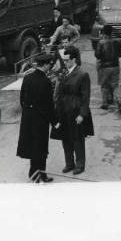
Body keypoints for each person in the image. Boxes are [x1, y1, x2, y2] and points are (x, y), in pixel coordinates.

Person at [16, 53, 59, 183]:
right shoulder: (45, 81)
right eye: (49, 65)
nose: (50, 67)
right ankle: (40, 174)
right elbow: (48, 105)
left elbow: (22, 98)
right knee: (41, 147)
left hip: (28, 117)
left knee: (32, 146)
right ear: (45, 65)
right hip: (40, 119)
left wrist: (28, 111)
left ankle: (34, 173)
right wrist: (55, 121)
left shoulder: (28, 78)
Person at [51, 46, 94, 175]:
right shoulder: (63, 73)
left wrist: (82, 114)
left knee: (77, 139)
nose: (65, 62)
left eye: (67, 60)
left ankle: (80, 164)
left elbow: (86, 97)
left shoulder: (82, 74)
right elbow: (57, 91)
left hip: (75, 110)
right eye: (64, 60)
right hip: (63, 110)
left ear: (74, 59)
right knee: (65, 138)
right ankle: (69, 163)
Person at [95, 24, 121, 112]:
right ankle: (118, 100)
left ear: (104, 32)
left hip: (105, 67)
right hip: (115, 66)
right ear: (111, 32)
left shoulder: (101, 42)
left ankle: (105, 103)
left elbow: (97, 55)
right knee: (115, 85)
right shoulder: (117, 42)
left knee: (104, 85)